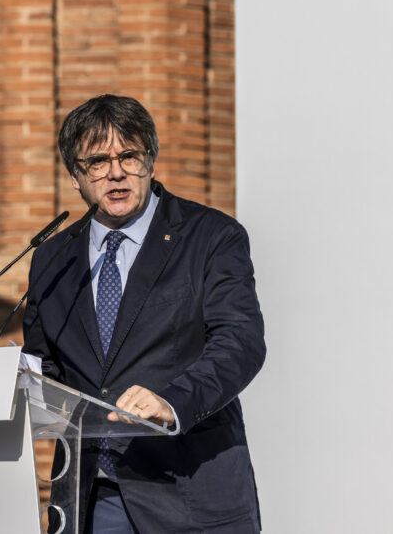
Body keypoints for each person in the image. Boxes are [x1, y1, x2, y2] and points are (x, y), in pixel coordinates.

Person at [22, 95, 266, 533]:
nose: (115, 172)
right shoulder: (51, 258)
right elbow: (48, 367)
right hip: (91, 498)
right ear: (75, 176)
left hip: (188, 493)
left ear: (150, 160)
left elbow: (239, 344)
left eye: (129, 156)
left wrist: (172, 401)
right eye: (96, 161)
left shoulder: (211, 237)